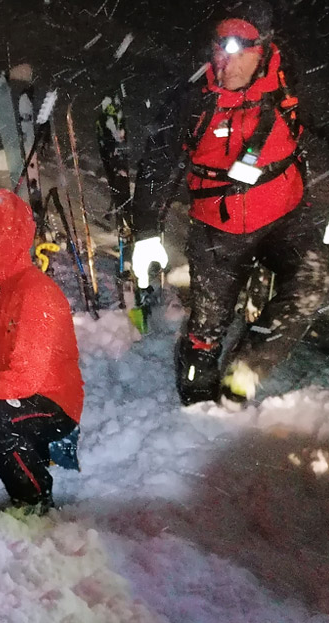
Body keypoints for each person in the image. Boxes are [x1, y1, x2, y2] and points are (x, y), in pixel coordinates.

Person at [130, 0, 327, 405]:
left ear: (263, 51)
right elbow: (159, 164)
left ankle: (247, 369)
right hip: (218, 227)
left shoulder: (292, 88)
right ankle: (197, 394)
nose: (225, 65)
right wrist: (147, 230)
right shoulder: (192, 99)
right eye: (219, 50)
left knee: (314, 281)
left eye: (238, 53)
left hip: (283, 215)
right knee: (205, 334)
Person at [0, 190, 83, 513]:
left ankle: (35, 498)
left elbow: (26, 376)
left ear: (0, 241)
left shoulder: (35, 293)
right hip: (19, 393)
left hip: (52, 400)